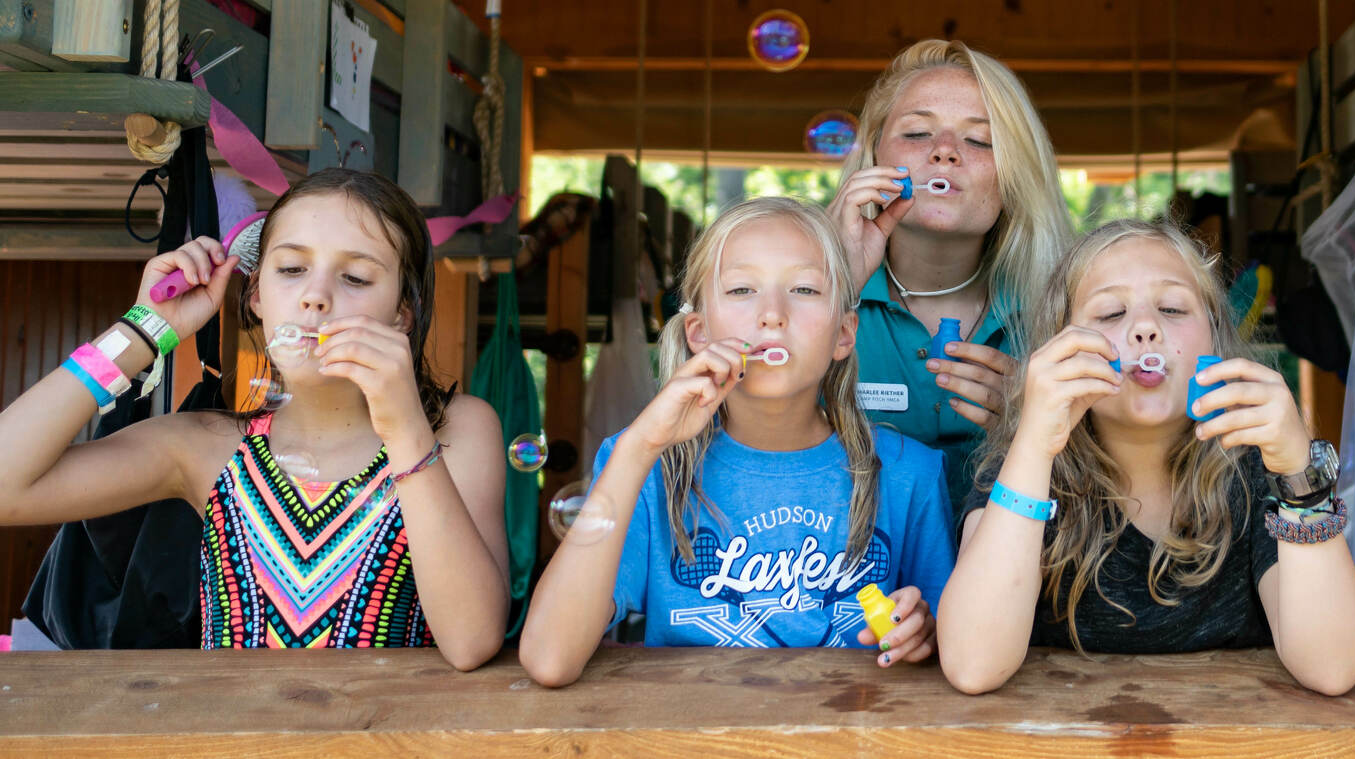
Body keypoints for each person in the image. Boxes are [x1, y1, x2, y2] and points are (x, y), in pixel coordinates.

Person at [0, 168, 510, 666]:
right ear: (257, 295)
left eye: (355, 276)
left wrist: (404, 429)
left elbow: (471, 641)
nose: (316, 295)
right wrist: (139, 334)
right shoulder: (205, 448)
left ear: (402, 313)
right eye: (291, 269)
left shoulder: (454, 432)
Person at [519, 198, 954, 687]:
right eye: (742, 289)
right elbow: (549, 659)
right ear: (698, 334)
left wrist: (924, 631)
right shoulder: (643, 465)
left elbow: (951, 648)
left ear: (845, 333)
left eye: (804, 288)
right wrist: (641, 444)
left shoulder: (908, 473)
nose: (772, 314)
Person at [936, 220, 1355, 696]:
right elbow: (973, 664)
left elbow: (1333, 668)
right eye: (1110, 313)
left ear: (1216, 338)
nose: (1145, 328)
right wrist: (1035, 444)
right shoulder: (1025, 472)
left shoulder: (1257, 472)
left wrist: (1296, 471)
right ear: (1059, 351)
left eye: (1171, 307)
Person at [829, 40, 1073, 500]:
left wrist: (1039, 430)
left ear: (1016, 173)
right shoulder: (812, 294)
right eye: (918, 134)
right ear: (875, 155)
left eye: (980, 139)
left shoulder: (1066, 310)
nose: (944, 152)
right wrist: (830, 283)